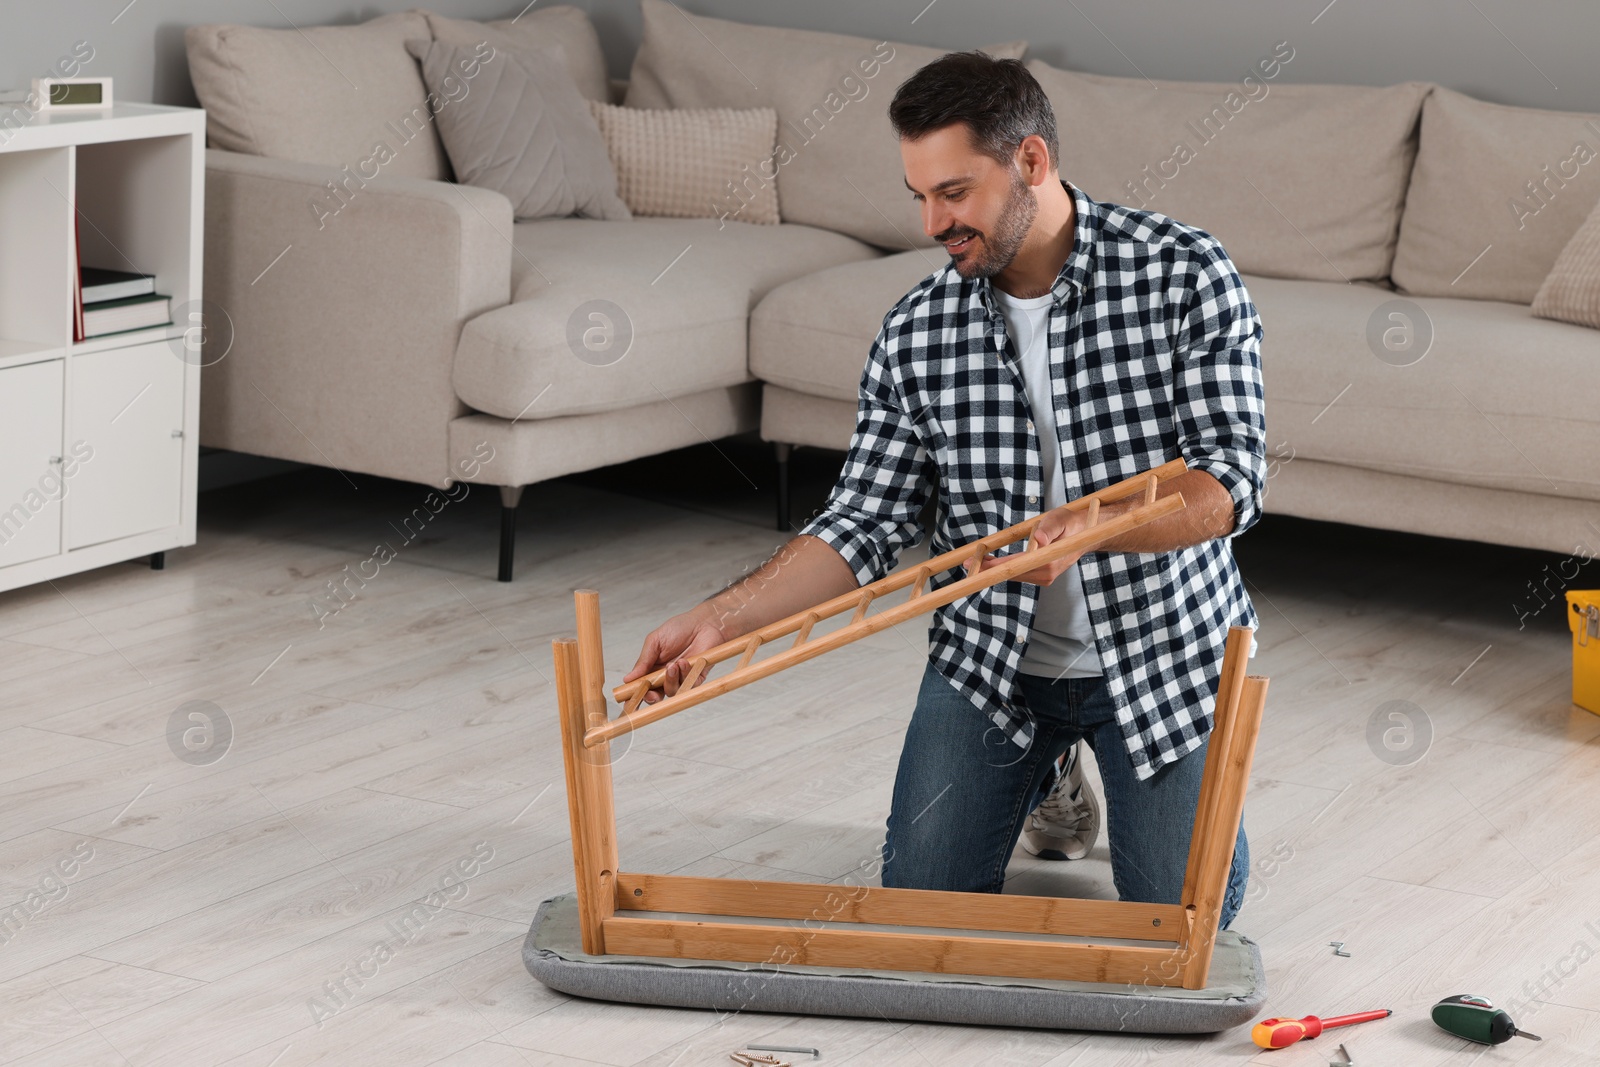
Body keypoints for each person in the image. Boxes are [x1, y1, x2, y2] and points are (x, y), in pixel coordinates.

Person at [624, 51, 1266, 928]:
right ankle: (1047, 766)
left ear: (1030, 162)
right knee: (923, 905)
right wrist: (724, 619)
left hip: (1160, 656)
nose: (933, 222)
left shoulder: (1185, 274)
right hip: (991, 662)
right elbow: (862, 520)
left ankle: (1098, 764)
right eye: (919, 196)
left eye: (954, 193)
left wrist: (1092, 524)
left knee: (1185, 918)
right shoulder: (918, 330)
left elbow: (1229, 479)